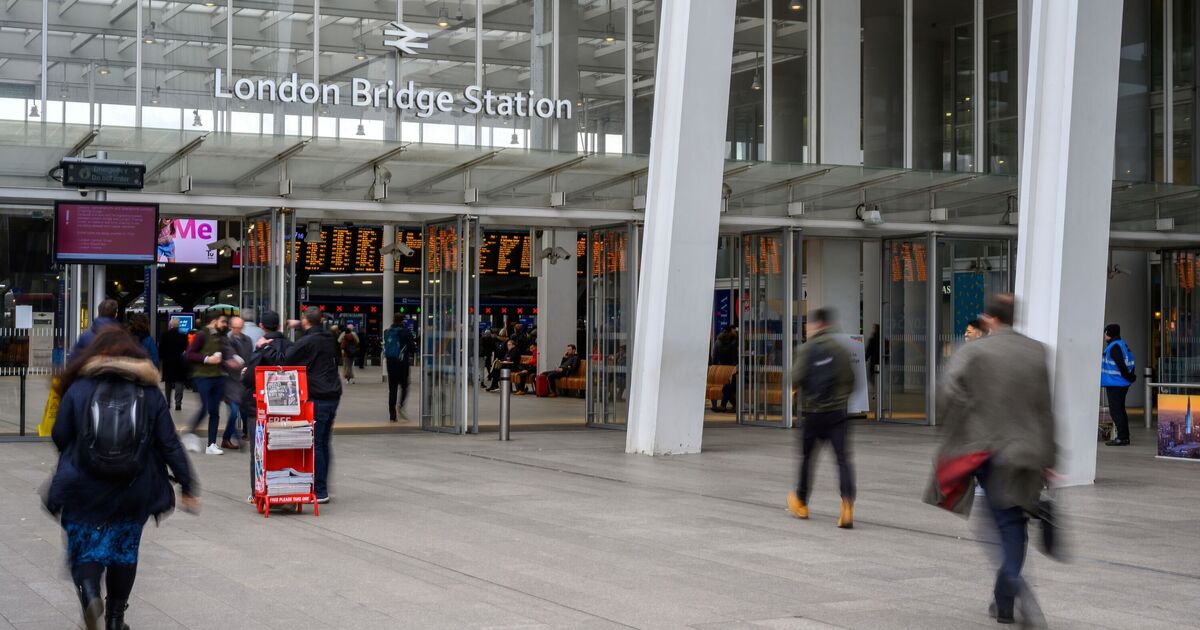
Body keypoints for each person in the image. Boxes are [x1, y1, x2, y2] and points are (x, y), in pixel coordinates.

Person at [43, 329, 199, 630]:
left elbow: (60, 435)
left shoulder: (80, 388)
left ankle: (90, 592)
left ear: (94, 354)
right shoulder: (149, 392)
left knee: (84, 547)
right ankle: (116, 619)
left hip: (84, 487)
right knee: (124, 551)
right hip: (133, 488)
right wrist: (188, 485)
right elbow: (169, 443)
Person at [924, 293, 1056, 625]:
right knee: (1014, 524)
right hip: (1026, 453)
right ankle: (1005, 603)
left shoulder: (975, 351)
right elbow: (1045, 409)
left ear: (990, 319)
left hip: (986, 450)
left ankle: (1013, 583)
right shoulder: (1036, 351)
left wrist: (963, 419)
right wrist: (1050, 457)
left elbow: (946, 394)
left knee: (997, 522)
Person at [786, 307, 856, 529]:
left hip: (813, 414)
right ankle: (847, 506)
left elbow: (794, 377)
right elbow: (851, 381)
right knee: (842, 460)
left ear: (817, 325)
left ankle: (801, 503)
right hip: (837, 414)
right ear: (830, 325)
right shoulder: (841, 350)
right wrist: (840, 400)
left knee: (807, 459)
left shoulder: (807, 349)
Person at [285, 308, 342, 504]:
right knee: (324, 442)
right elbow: (315, 332)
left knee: (316, 443)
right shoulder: (329, 338)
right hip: (333, 394)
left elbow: (287, 357)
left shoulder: (308, 341)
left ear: (305, 321)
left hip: (318, 395)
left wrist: (267, 347)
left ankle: (320, 490)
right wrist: (301, 325)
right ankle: (323, 485)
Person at [241, 311, 290, 498]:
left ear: (262, 326)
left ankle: (257, 491)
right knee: (284, 449)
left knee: (258, 450)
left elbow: (249, 378)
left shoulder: (262, 347)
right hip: (287, 406)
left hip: (260, 406)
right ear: (279, 326)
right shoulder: (290, 346)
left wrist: (245, 372)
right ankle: (284, 489)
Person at [182, 311, 232, 455]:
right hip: (203, 376)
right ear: (214, 321)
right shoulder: (201, 335)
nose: (225, 325)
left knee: (214, 411)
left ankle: (211, 444)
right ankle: (189, 432)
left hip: (218, 376)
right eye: (222, 321)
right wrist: (207, 359)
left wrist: (229, 362)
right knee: (204, 407)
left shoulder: (220, 336)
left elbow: (223, 355)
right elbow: (189, 354)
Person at [220, 316, 253, 450]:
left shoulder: (247, 340)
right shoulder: (226, 340)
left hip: (243, 380)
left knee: (244, 410)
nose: (237, 330)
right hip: (230, 381)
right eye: (235, 328)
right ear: (230, 327)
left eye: (240, 327)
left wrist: (247, 369)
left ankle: (244, 433)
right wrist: (227, 364)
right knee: (234, 411)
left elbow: (249, 358)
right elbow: (222, 360)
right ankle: (226, 438)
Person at [1102, 323, 1136, 446]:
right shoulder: (1122, 344)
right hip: (1120, 383)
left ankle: (1122, 438)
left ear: (1108, 333)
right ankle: (1124, 437)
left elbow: (1121, 365)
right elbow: (1130, 362)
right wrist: (1131, 377)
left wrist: (1129, 377)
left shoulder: (1114, 347)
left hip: (1116, 384)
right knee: (1120, 410)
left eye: (1105, 333)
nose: (1104, 335)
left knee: (1116, 411)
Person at [383, 316, 417, 421]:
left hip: (390, 363)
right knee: (404, 386)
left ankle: (392, 415)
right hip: (402, 363)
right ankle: (401, 405)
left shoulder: (387, 332)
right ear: (402, 321)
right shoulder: (405, 332)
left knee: (392, 389)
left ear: (393, 320)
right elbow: (412, 348)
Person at [159, 318, 190, 411]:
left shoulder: (164, 335)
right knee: (179, 382)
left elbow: (161, 349)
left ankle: (168, 403)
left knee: (168, 383)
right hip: (179, 362)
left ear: (170, 325)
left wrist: (162, 358)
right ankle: (178, 403)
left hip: (168, 362)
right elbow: (186, 349)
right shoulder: (183, 336)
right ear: (179, 325)